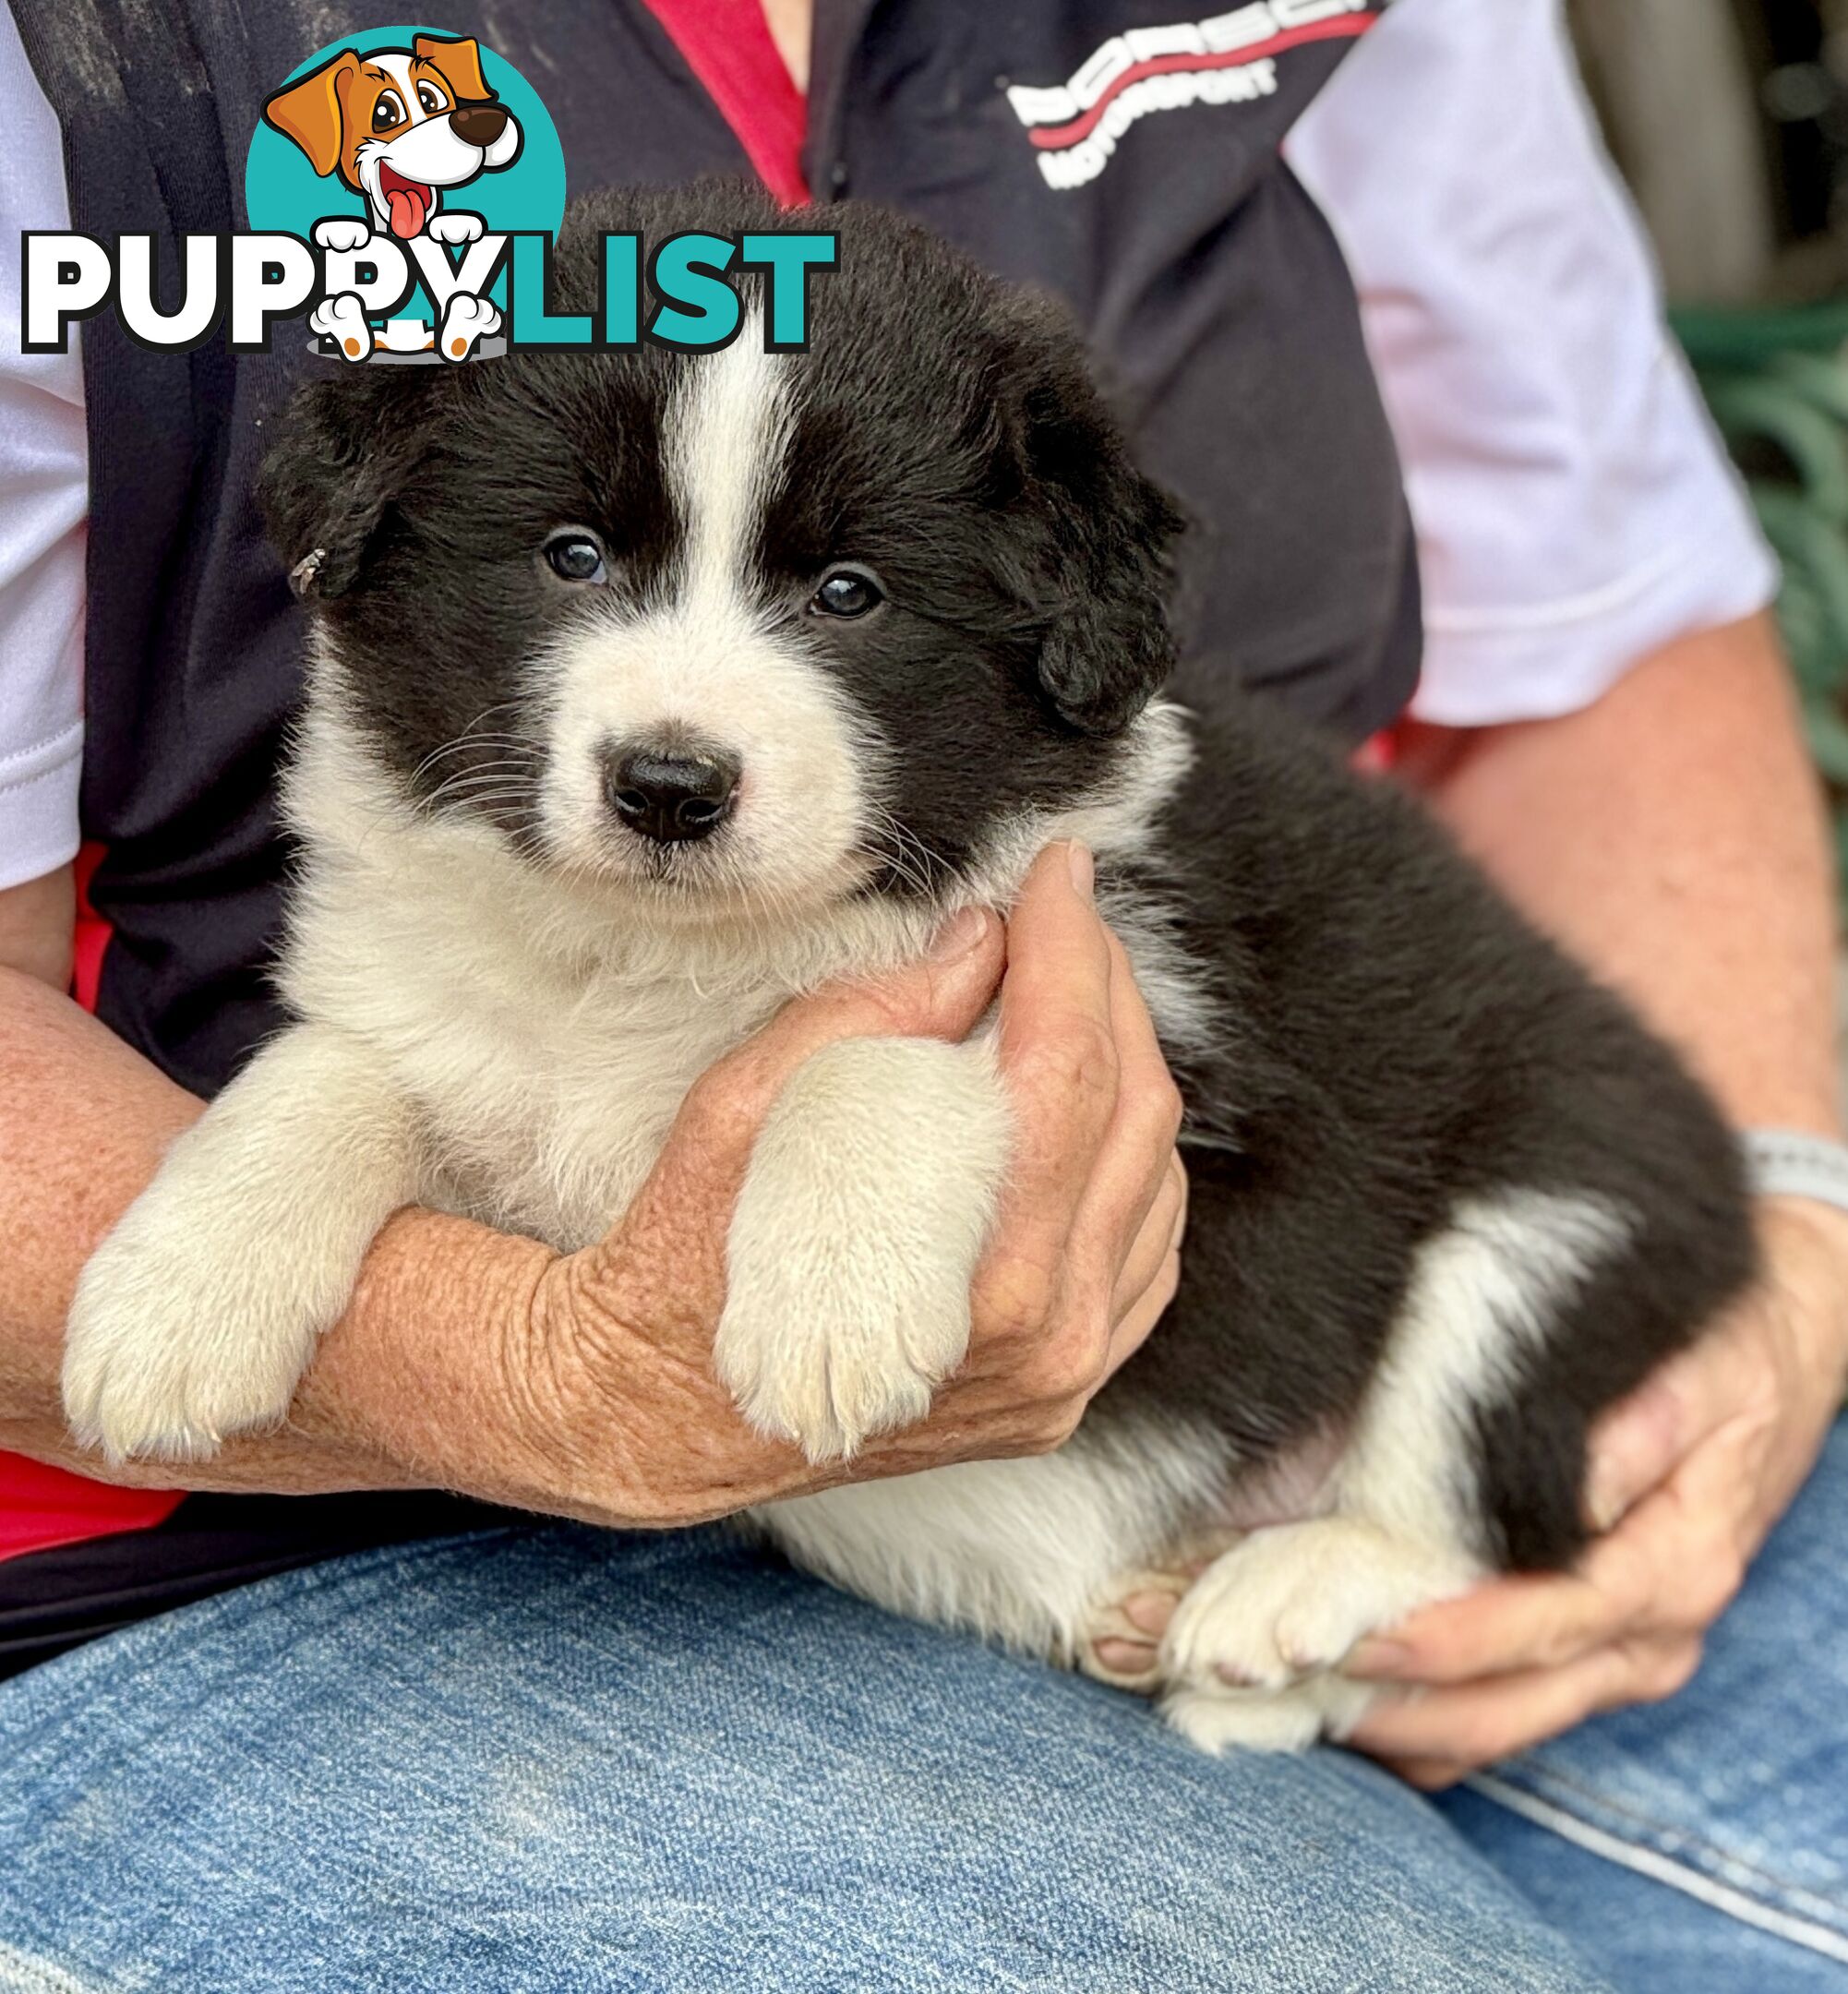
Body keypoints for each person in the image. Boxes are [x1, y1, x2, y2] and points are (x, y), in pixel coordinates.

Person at [1, 1, 1842, 1988]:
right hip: (256, 1565)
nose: (676, 713)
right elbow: (399, 1068)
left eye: (843, 596)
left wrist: (1786, 1242)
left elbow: (1600, 635)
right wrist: (520, 1364)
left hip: (1238, 1433)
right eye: (569, 555)